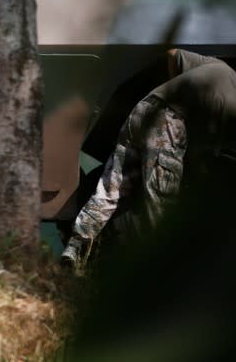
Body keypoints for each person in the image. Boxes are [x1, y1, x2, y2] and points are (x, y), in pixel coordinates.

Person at [62, 48, 236, 270]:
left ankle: (75, 249)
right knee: (160, 200)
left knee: (110, 189)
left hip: (143, 110)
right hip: (168, 124)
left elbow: (173, 54)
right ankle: (162, 269)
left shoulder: (215, 66)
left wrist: (174, 94)